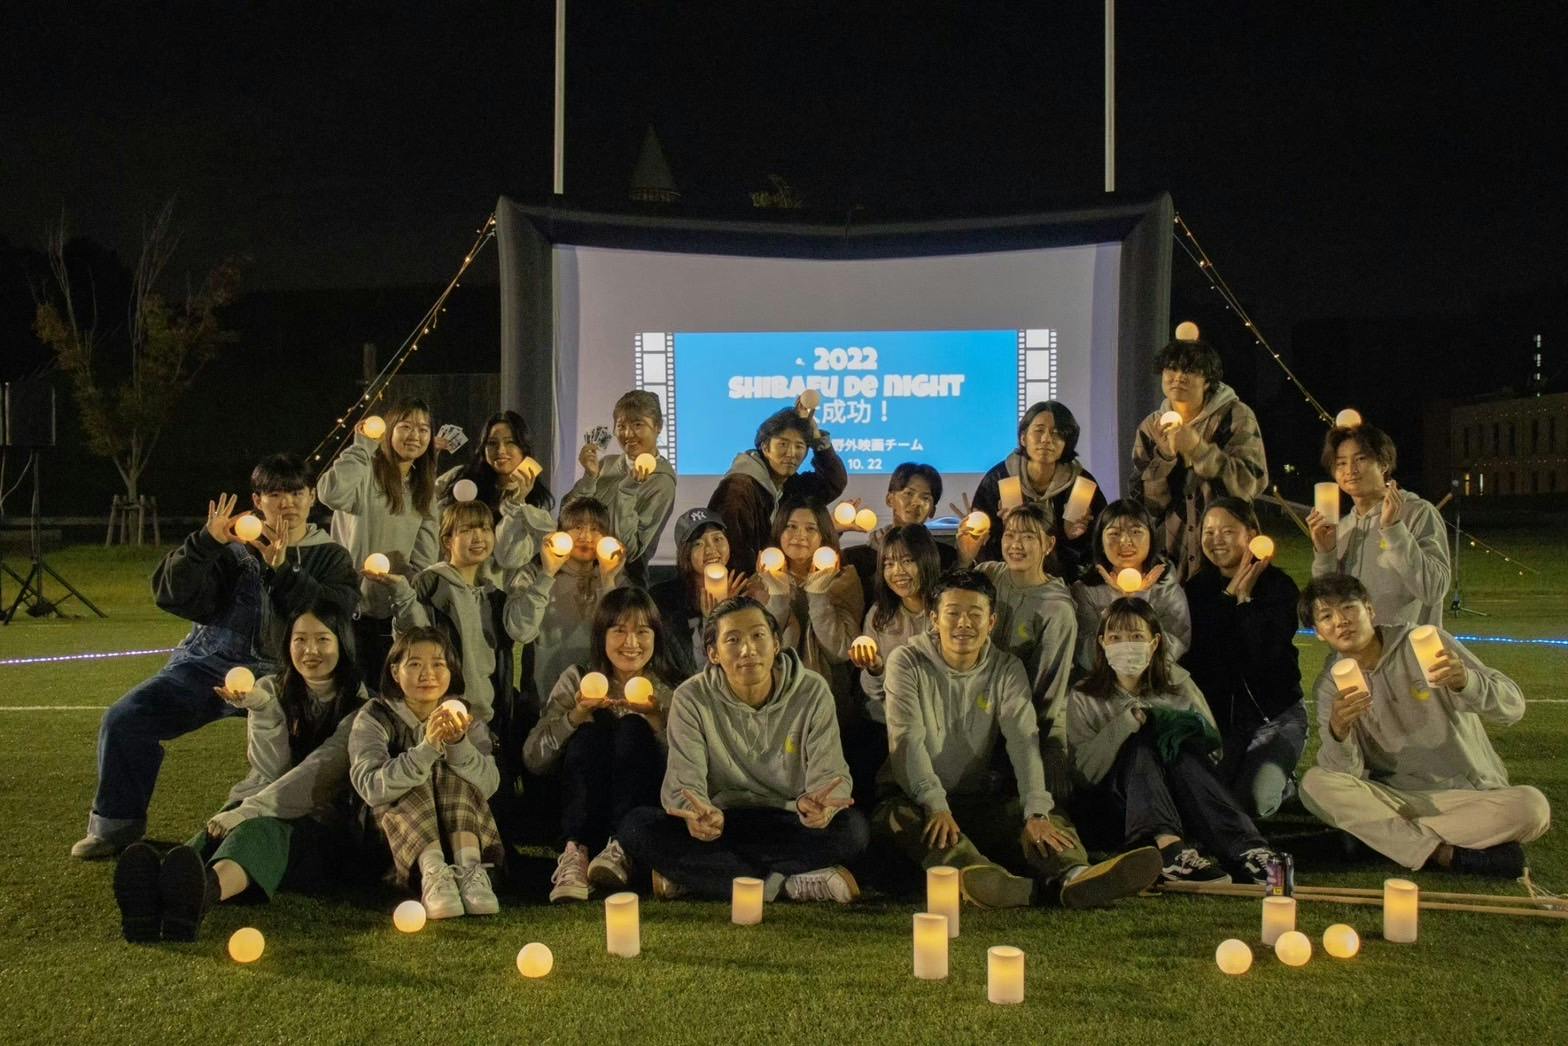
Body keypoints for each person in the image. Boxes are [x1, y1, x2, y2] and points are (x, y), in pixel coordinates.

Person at [73, 455, 358, 860]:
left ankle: (293, 844)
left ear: (312, 497)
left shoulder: (330, 555)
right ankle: (114, 827)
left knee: (308, 758)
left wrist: (284, 571)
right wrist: (205, 543)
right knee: (126, 718)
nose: (287, 503)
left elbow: (336, 611)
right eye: (275, 494)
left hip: (289, 677)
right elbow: (171, 594)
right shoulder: (231, 547)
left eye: (297, 493)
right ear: (257, 501)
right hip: (209, 665)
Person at [874, 569, 1160, 908]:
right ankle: (982, 878)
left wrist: (1035, 811)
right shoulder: (906, 662)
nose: (964, 623)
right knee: (913, 823)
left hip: (977, 798)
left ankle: (1075, 874)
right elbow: (907, 740)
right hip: (914, 798)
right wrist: (934, 803)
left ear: (991, 621)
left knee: (1045, 815)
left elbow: (1023, 739)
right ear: (934, 619)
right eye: (953, 613)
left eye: (975, 614)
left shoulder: (1005, 668)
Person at [111, 603, 368, 941]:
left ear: (342, 643)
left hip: (320, 825)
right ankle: (154, 899)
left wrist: (248, 811)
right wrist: (263, 710)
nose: (310, 650)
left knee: (259, 828)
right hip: (265, 801)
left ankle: (201, 894)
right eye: (300, 639)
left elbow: (316, 776)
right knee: (216, 833)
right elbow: (270, 770)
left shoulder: (360, 708)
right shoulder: (271, 688)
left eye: (322, 639)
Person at [617, 597, 868, 903]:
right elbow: (684, 780)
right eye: (733, 640)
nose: (748, 649)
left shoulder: (811, 690)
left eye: (758, 636)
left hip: (788, 818)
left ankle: (704, 877)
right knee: (637, 827)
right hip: (722, 820)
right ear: (713, 653)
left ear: (776, 643)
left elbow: (830, 773)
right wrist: (698, 814)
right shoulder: (691, 698)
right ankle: (786, 883)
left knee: (853, 830)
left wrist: (821, 805)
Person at [1297, 574, 1550, 877]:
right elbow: (1344, 774)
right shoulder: (1331, 686)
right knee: (1314, 784)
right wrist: (1339, 733)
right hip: (1397, 799)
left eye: (1349, 608)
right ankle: (1443, 854)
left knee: (1532, 808)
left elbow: (1513, 707)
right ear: (1318, 633)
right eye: (1326, 617)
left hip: (1468, 795)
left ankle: (1378, 840)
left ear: (1370, 609)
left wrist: (1467, 682)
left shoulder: (1423, 644)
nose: (1341, 622)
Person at [1067, 598, 1279, 885]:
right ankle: (1169, 850)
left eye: (1136, 637)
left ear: (1154, 642)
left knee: (1177, 742)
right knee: (1141, 741)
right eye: (1115, 638)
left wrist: (1176, 733)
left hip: (1182, 801)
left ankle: (1247, 849)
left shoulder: (1179, 685)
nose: (1126, 645)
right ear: (1102, 643)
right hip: (1119, 810)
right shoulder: (1084, 696)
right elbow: (1083, 774)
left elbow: (1211, 754)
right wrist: (1125, 725)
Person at [525, 588, 677, 902]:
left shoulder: (669, 689)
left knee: (632, 727)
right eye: (619, 630)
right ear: (602, 635)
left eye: (642, 631)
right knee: (590, 733)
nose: (631, 643)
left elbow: (686, 766)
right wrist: (577, 715)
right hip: (584, 807)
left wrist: (655, 720)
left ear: (656, 637)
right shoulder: (579, 680)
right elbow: (534, 759)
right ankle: (575, 854)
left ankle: (622, 847)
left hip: (641, 812)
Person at [348, 628, 503, 918]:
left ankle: (470, 870)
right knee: (418, 770)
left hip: (458, 833)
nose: (427, 674)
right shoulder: (375, 715)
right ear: (395, 672)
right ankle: (433, 874)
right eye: (415, 664)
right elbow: (370, 786)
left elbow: (489, 784)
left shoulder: (464, 714)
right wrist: (427, 749)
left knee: (454, 770)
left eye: (438, 664)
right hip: (396, 841)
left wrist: (458, 744)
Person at [1182, 498, 1306, 819]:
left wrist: (1245, 601)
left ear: (1251, 534)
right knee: (1208, 797)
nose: (1216, 540)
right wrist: (1227, 598)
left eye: (1227, 531)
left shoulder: (1279, 588)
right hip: (1225, 723)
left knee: (1251, 801)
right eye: (1208, 532)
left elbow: (1263, 655)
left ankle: (1286, 784)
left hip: (1275, 717)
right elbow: (1202, 657)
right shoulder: (1197, 589)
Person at [956, 502, 1077, 795]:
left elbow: (1048, 687)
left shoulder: (1056, 608)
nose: (1016, 545)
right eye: (1010, 535)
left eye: (1028, 537)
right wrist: (964, 559)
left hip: (1020, 721)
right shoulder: (988, 574)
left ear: (1049, 544)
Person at [316, 397, 441, 677]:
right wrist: (361, 447)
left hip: (394, 616)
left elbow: (425, 557)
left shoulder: (424, 489)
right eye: (406, 426)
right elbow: (330, 493)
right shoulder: (366, 473)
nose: (415, 435)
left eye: (423, 429)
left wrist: (408, 600)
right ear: (388, 430)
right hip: (350, 611)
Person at [1129, 335, 1268, 582]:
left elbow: (1251, 483)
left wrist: (1198, 449)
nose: (1178, 377)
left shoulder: (1235, 416)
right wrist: (1165, 457)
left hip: (1227, 553)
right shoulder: (1151, 427)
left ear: (1208, 381)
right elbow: (1146, 505)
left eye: (1190, 371)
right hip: (1171, 555)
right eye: (1171, 369)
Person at [1307, 421, 1450, 628]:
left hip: (1406, 646)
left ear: (1383, 464)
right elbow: (1326, 603)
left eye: (1360, 459)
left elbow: (1433, 590)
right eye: (1341, 463)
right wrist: (1325, 553)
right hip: (1356, 647)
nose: (1350, 470)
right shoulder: (1342, 527)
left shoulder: (1417, 512)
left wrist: (1393, 530)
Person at [845, 524, 941, 810]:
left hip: (936, 723)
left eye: (907, 560)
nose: (897, 571)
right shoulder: (880, 616)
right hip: (886, 724)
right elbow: (873, 693)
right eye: (888, 563)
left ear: (926, 560)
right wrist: (875, 669)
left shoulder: (945, 613)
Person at [746, 498, 864, 727]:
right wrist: (778, 597)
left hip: (827, 703)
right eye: (791, 526)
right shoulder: (760, 581)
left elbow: (840, 651)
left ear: (824, 537)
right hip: (773, 702)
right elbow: (759, 648)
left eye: (811, 529)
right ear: (779, 531)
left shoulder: (844, 580)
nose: (800, 536)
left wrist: (818, 596)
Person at [505, 495, 627, 709]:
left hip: (599, 698)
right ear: (561, 532)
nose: (586, 537)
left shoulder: (617, 580)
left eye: (595, 529)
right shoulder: (533, 574)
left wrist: (608, 581)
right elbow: (520, 630)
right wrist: (547, 574)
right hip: (544, 697)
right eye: (578, 527)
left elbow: (623, 636)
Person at [707, 395, 847, 572]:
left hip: (777, 579)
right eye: (783, 444)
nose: (791, 453)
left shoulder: (787, 484)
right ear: (765, 447)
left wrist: (817, 438)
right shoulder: (738, 489)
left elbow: (833, 482)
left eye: (799, 446)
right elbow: (731, 551)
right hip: (748, 582)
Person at [970, 401, 1105, 580]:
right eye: (1039, 430)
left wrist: (1072, 537)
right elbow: (983, 545)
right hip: (1007, 578)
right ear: (1023, 437)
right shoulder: (1001, 477)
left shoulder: (1082, 483)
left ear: (1068, 442)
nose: (1046, 439)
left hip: (1067, 579)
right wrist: (1002, 528)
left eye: (1057, 433)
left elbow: (1099, 544)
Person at [567, 390, 678, 586]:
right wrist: (589, 478)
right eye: (621, 426)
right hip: (579, 574)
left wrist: (627, 492)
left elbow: (630, 550)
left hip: (622, 582)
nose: (628, 434)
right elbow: (567, 518)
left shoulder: (662, 482)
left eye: (638, 425)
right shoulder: (607, 464)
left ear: (658, 427)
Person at [1070, 499, 1191, 672]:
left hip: (1157, 677)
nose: (1125, 541)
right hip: (1102, 680)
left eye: (1136, 532)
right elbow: (1085, 653)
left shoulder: (1167, 587)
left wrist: (1135, 601)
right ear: (1100, 542)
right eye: (1114, 533)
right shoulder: (1085, 591)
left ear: (1151, 538)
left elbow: (1177, 644)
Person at [435, 409, 556, 576]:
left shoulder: (535, 503)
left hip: (495, 587)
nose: (500, 450)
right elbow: (427, 510)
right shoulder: (460, 477)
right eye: (492, 443)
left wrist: (517, 502)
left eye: (510, 442)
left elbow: (508, 559)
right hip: (450, 578)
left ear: (524, 448)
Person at [648, 508, 747, 681]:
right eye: (698, 544)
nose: (711, 549)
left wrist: (728, 613)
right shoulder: (663, 598)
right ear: (685, 553)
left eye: (717, 539)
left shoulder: (744, 593)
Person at [841, 463, 957, 605]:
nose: (916, 502)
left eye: (925, 498)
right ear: (890, 499)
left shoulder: (946, 557)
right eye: (909, 493)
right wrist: (833, 531)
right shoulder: (857, 558)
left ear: (932, 510)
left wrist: (966, 558)